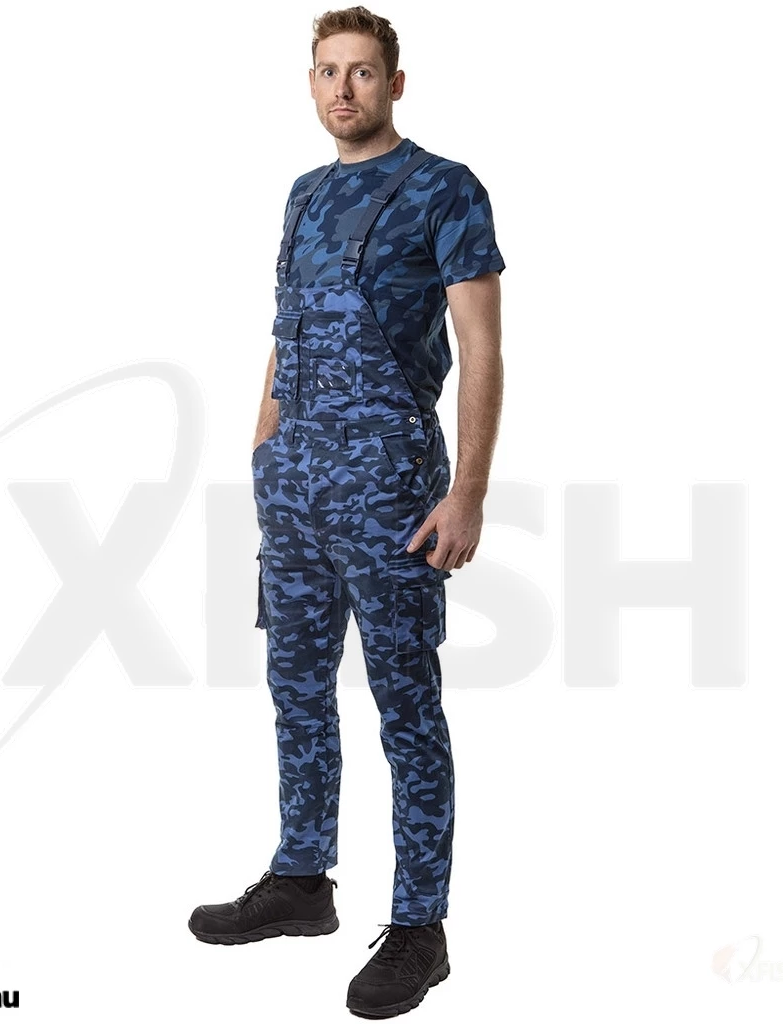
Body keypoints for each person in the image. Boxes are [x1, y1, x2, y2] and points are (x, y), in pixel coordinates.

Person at [188, 6, 504, 1017]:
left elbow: (483, 347)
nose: (343, 89)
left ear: (394, 84)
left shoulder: (445, 188)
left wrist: (468, 492)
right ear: (311, 82)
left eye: (363, 72)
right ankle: (301, 878)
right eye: (328, 71)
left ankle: (420, 926)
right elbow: (284, 330)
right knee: (295, 686)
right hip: (295, 487)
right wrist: (263, 447)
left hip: (391, 487)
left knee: (405, 705)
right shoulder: (304, 193)